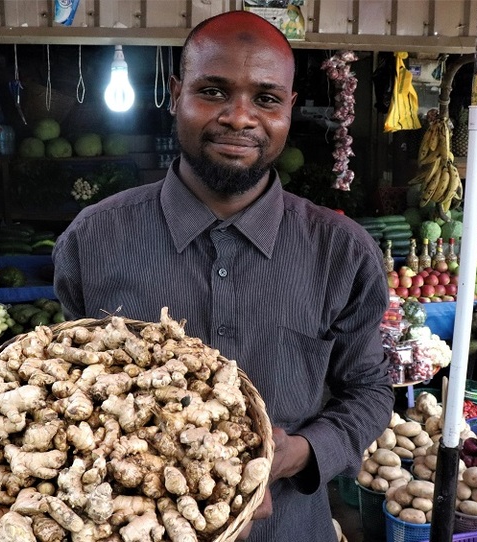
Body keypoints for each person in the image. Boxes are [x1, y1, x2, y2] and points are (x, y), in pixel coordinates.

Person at [53, 10, 394, 541]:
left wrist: (296, 454)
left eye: (265, 98)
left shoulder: (341, 253)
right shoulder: (93, 241)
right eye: (213, 91)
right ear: (176, 94)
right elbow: (68, 387)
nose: (239, 117)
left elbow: (369, 389)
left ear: (288, 109)